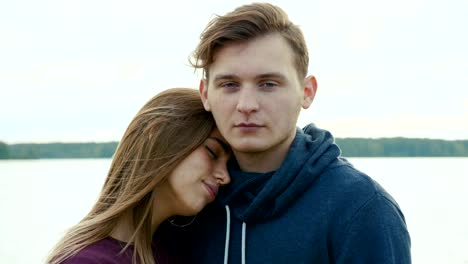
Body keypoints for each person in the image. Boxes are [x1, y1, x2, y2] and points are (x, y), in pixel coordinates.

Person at [164, 3, 411, 263]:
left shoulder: (361, 209)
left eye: (268, 84)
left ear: (307, 92)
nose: (247, 105)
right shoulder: (188, 203)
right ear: (205, 94)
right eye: (229, 85)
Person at [46, 88, 231, 264]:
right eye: (212, 152)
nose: (225, 177)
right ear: (158, 136)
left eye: (228, 165)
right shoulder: (84, 261)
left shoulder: (176, 249)